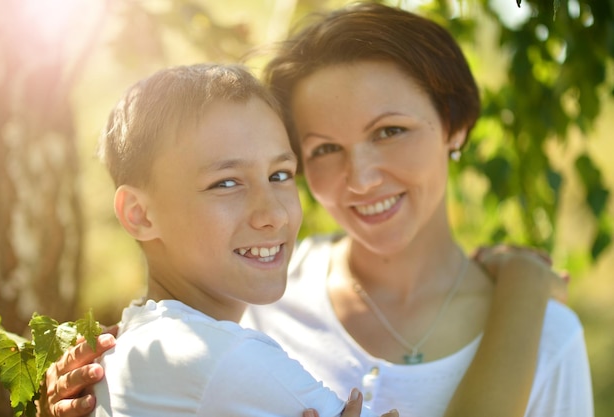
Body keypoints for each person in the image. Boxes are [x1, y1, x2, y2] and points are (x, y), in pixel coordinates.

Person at [41, 3, 592, 417]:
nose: (362, 176)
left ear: (456, 126)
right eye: (325, 148)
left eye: (390, 131)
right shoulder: (247, 292)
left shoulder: (548, 338)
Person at [84, 61, 406, 417]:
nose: (274, 214)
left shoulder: (133, 344)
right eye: (226, 183)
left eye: (280, 174)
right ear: (139, 214)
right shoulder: (223, 358)